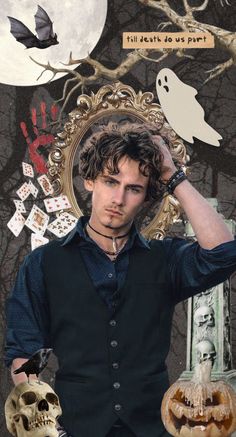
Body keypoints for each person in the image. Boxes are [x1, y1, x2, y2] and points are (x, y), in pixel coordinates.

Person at [5, 121, 236, 437]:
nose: (118, 198)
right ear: (90, 181)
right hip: (74, 427)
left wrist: (172, 175)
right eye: (111, 181)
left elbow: (224, 254)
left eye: (134, 188)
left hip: (152, 428)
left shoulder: (165, 259)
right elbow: (24, 352)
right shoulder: (42, 263)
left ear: (145, 196)